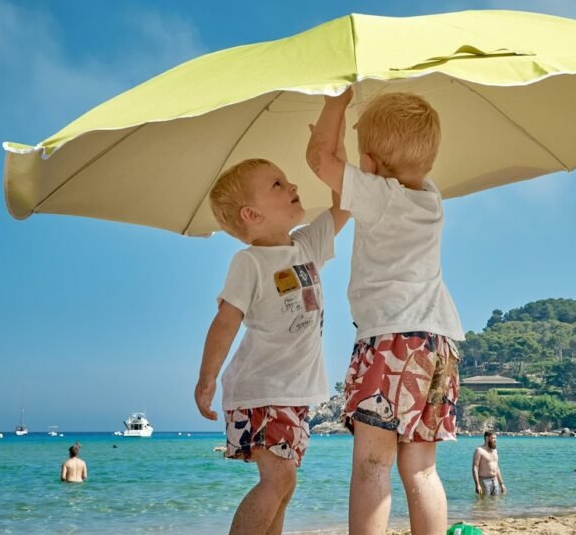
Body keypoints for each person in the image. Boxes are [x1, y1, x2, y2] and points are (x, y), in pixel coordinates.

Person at [306, 89, 464, 535]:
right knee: (421, 469)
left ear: (371, 165)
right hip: (440, 344)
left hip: (392, 341)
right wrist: (353, 154)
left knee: (373, 464)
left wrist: (336, 104)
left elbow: (321, 160)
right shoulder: (431, 198)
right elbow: (343, 168)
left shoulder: (379, 197)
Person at [194, 144, 350, 533]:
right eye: (277, 184)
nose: (292, 184)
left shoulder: (306, 245)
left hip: (294, 394)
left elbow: (345, 204)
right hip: (261, 388)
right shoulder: (249, 262)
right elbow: (225, 322)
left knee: (285, 483)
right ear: (252, 215)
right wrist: (207, 377)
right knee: (277, 480)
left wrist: (336, 146)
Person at [472, 431, 507, 495]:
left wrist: (501, 484)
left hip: (495, 480)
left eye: (496, 438)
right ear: (487, 438)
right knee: (484, 502)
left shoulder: (494, 450)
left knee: (495, 502)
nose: (495, 440)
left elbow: (497, 468)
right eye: (493, 438)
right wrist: (477, 484)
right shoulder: (479, 450)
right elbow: (475, 468)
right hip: (484, 480)